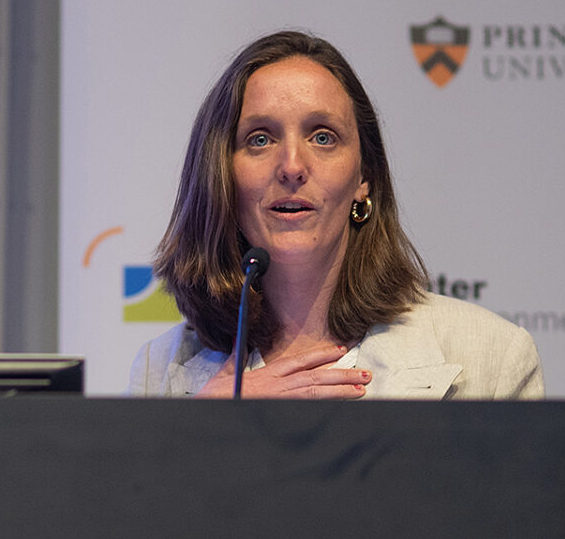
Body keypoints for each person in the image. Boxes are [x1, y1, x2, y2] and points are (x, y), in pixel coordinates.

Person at [127, 30, 543, 400]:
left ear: (364, 177)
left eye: (323, 137)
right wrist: (199, 429)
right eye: (260, 139)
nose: (292, 166)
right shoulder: (159, 372)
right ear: (221, 176)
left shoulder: (490, 358)